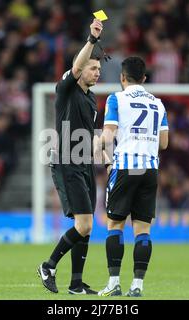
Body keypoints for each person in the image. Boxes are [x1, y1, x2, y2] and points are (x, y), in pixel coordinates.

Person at [37, 18, 104, 295]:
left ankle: (76, 284)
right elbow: (76, 66)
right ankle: (48, 266)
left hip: (84, 162)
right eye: (93, 67)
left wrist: (99, 147)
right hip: (66, 161)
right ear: (80, 69)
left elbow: (89, 135)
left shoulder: (91, 99)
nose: (97, 72)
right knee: (85, 223)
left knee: (86, 227)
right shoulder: (65, 89)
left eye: (99, 68)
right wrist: (92, 39)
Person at [94, 57, 169, 297]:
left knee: (115, 224)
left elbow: (108, 135)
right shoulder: (158, 103)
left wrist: (98, 144)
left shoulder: (116, 99)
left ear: (122, 78)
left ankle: (114, 283)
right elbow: (164, 143)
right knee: (143, 229)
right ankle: (137, 287)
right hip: (149, 169)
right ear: (144, 79)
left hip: (126, 166)